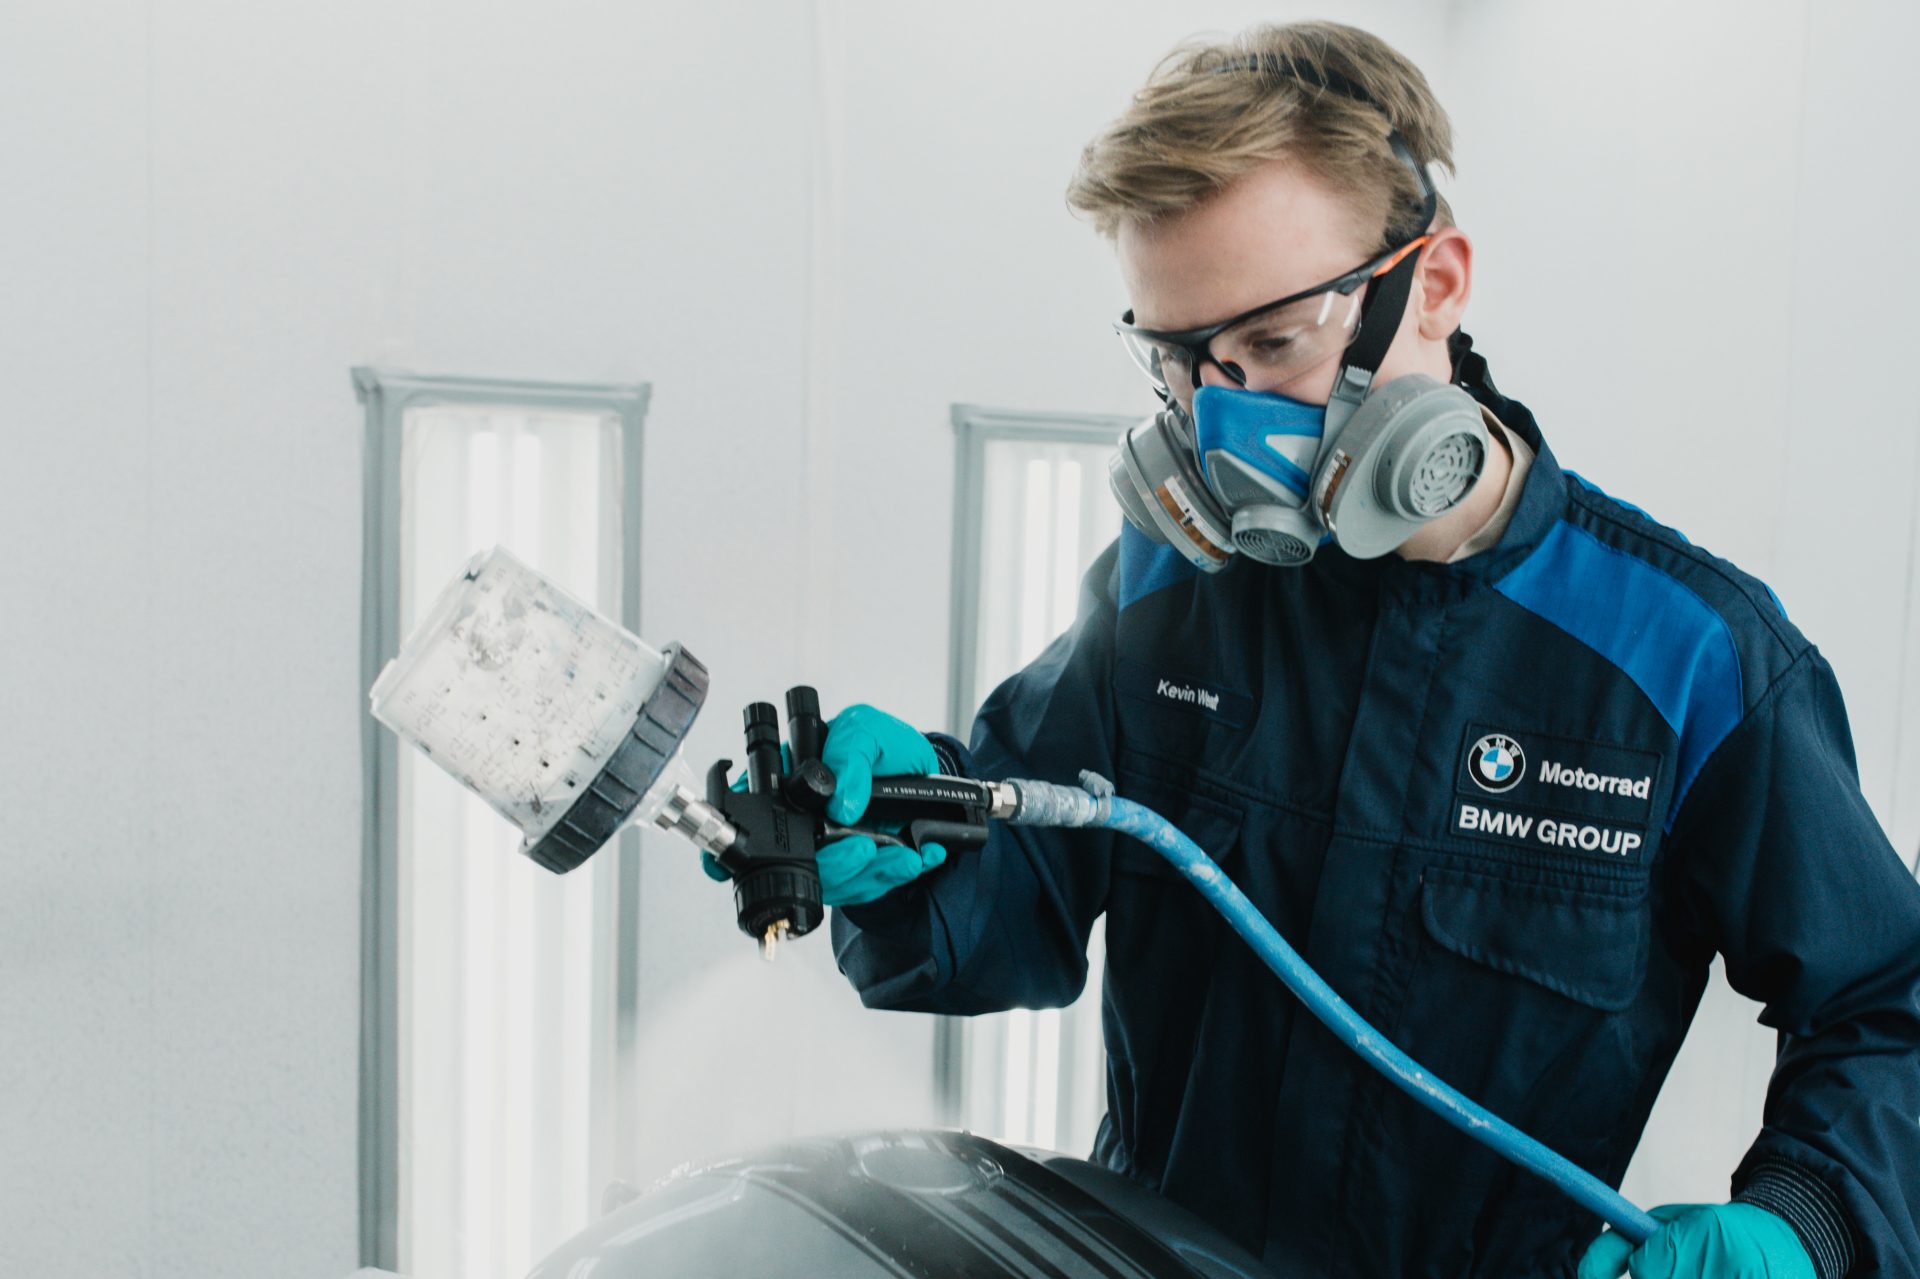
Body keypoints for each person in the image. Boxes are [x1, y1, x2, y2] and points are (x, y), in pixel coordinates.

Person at [714, 21, 1920, 1278]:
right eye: (1182, 363)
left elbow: (1888, 999)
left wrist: (1810, 1221)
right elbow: (1025, 888)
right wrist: (909, 836)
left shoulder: (1688, 660)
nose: (1218, 424)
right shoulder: (1170, 591)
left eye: (1273, 345)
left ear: (1436, 284)